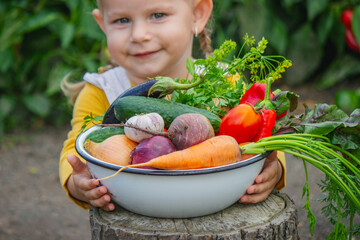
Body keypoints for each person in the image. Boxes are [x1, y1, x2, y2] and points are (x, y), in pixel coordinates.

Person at [60, 0, 286, 212]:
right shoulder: (100, 91)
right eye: (122, 20)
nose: (139, 35)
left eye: (158, 15)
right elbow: (76, 149)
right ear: (102, 24)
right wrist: (77, 182)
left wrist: (273, 169)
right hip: (136, 208)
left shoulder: (226, 82)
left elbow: (264, 135)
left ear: (197, 14)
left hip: (217, 204)